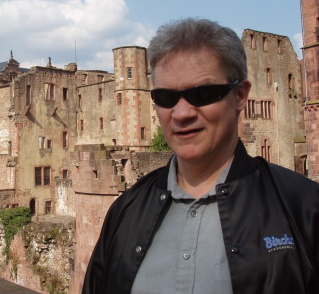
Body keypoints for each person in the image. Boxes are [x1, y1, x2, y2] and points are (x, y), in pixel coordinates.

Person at [82, 18, 319, 294]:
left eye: (203, 93)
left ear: (240, 96)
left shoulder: (305, 208)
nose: (182, 114)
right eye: (165, 97)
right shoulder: (124, 211)